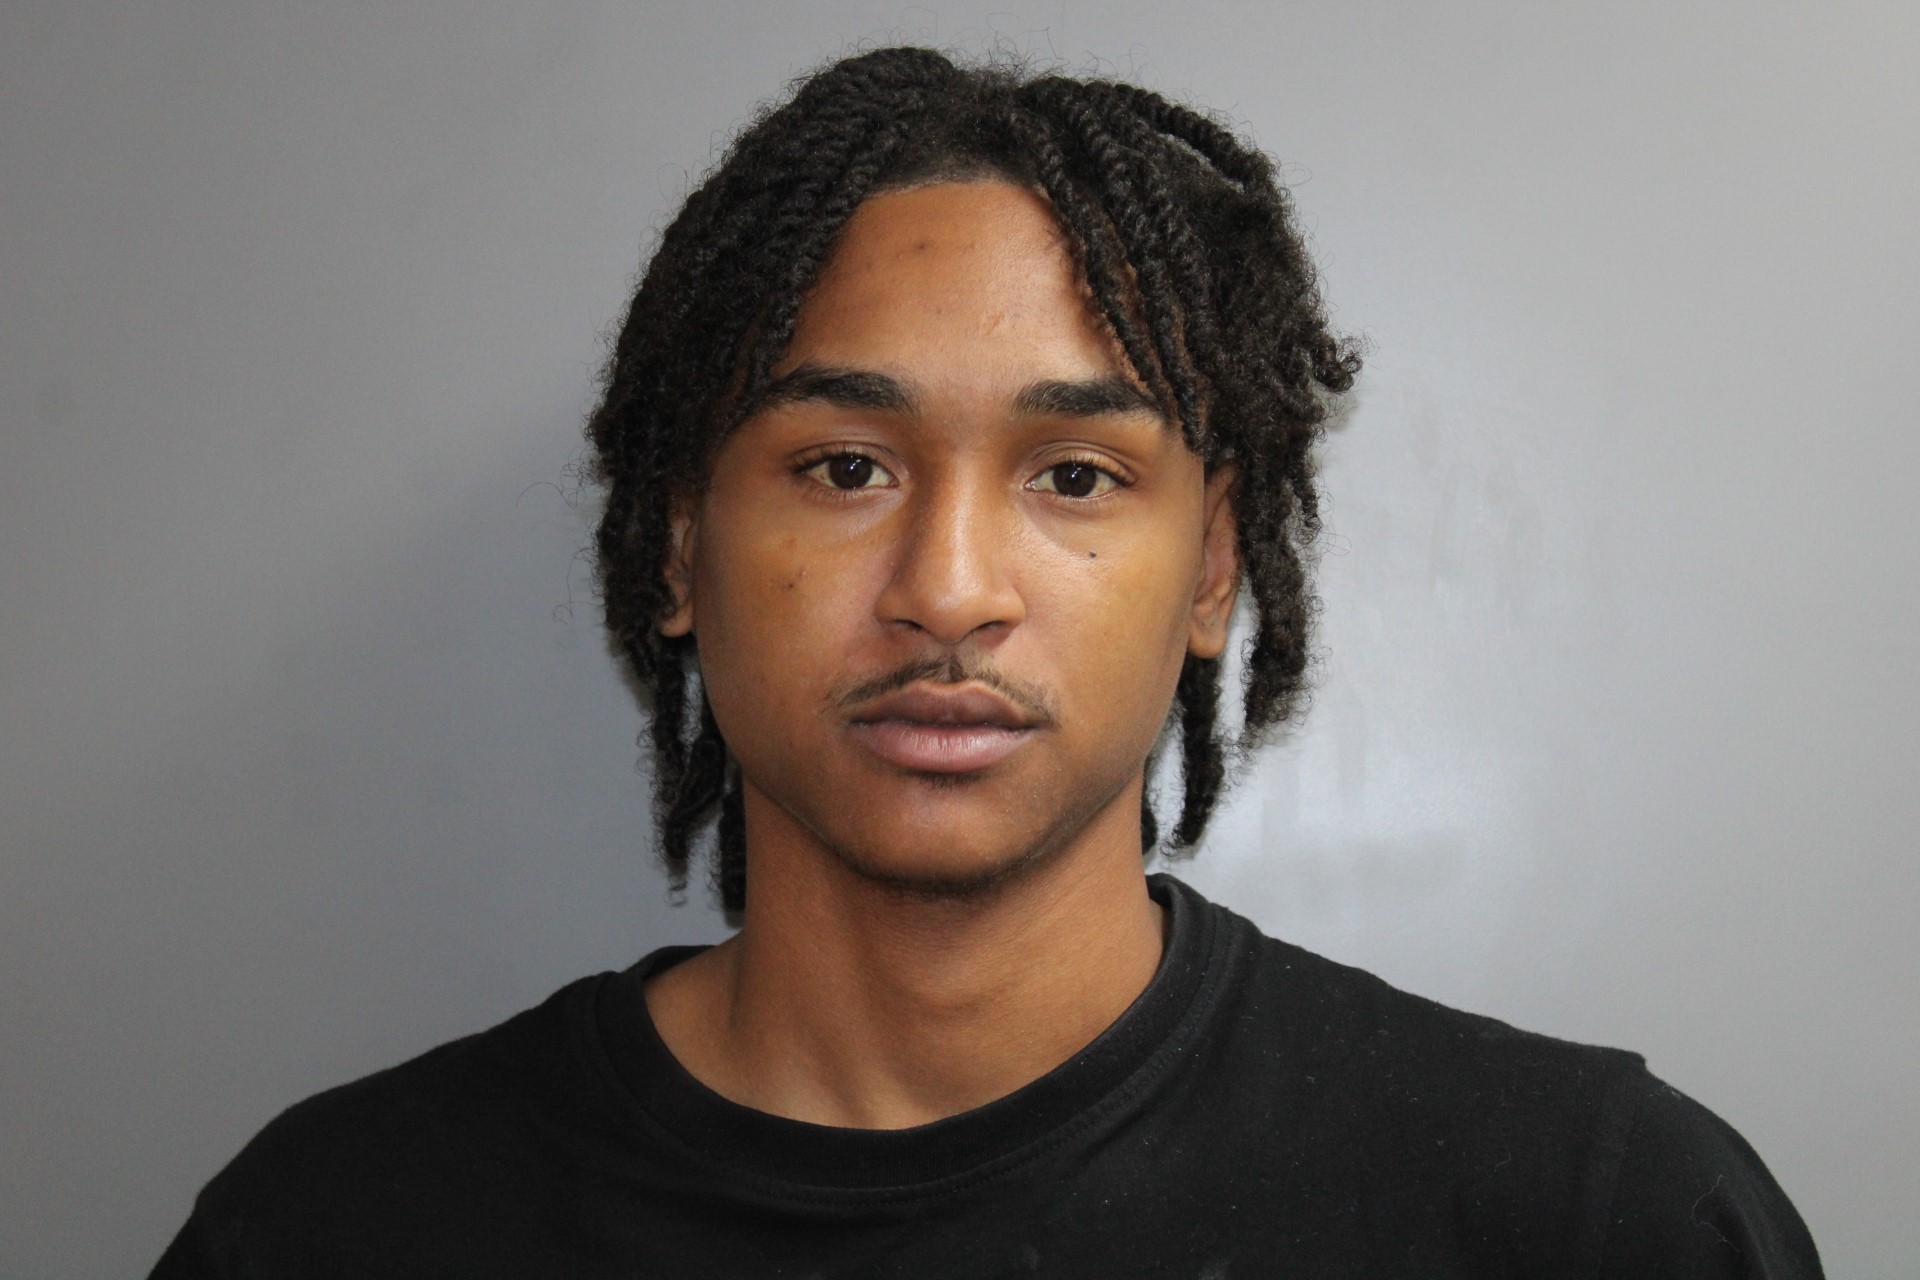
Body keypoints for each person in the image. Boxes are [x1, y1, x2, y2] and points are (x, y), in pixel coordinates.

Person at [150, 47, 1823, 1277]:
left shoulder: (1595, 1223)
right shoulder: (333, 1230)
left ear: (1214, 568)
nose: (949, 591)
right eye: (845, 467)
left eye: (1075, 478)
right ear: (677, 548)